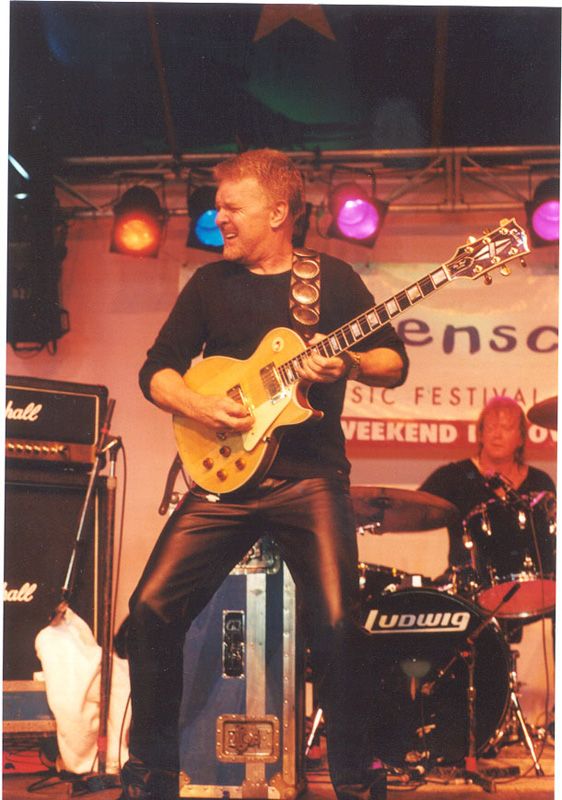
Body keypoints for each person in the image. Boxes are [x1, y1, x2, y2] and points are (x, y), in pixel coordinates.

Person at [120, 148, 409, 800]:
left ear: (278, 212)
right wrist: (198, 405)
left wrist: (351, 365)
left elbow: (393, 360)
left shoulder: (332, 279)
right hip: (223, 480)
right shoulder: (209, 284)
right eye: (217, 206)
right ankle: (153, 777)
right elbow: (157, 371)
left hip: (310, 478)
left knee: (339, 623)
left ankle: (355, 780)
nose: (218, 217)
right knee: (151, 611)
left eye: (231, 207)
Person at [419, 396, 556, 617]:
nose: (497, 434)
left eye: (506, 428)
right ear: (481, 434)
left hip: (533, 586)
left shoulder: (540, 482)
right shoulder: (453, 476)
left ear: (521, 438)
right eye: (491, 427)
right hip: (469, 588)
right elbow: (412, 509)